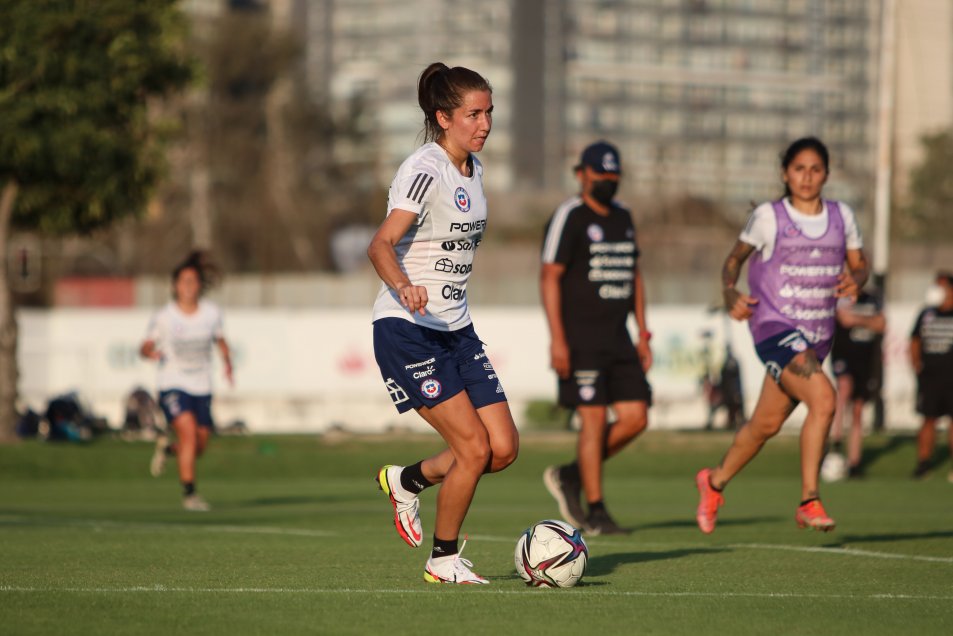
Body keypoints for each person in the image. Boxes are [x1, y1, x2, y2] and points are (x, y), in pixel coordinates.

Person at [367, 62, 518, 585]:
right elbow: (381, 244)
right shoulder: (424, 168)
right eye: (473, 114)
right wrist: (404, 287)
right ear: (443, 117)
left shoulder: (476, 171)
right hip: (407, 329)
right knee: (472, 449)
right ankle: (443, 560)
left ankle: (407, 480)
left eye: (489, 112)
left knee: (501, 450)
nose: (484, 124)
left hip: (456, 330)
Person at [695, 137, 869, 534]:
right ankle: (810, 499)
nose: (807, 177)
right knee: (825, 399)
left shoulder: (843, 216)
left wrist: (855, 279)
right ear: (785, 173)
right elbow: (734, 260)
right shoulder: (771, 217)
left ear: (826, 173)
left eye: (815, 169)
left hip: (817, 336)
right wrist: (729, 291)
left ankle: (714, 481)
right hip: (774, 327)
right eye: (799, 169)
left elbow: (860, 265)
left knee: (764, 425)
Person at [539, 141, 652, 536]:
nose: (607, 181)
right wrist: (557, 340)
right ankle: (597, 510)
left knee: (636, 418)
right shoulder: (569, 216)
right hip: (580, 338)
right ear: (581, 174)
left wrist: (643, 333)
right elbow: (549, 275)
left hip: (619, 338)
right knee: (593, 419)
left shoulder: (624, 216)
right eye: (599, 174)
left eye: (612, 175)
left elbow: (634, 274)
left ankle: (571, 474)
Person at [141, 251, 233, 512]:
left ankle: (169, 450)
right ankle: (190, 495)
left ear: (200, 285)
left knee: (199, 446)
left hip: (202, 384)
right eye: (184, 281)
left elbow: (220, 339)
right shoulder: (165, 317)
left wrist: (228, 362)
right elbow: (145, 346)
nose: (189, 286)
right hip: (172, 383)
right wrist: (149, 352)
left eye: (193, 281)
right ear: (175, 286)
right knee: (190, 434)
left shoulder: (212, 314)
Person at [828, 287, 886, 478]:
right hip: (844, 354)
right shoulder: (840, 296)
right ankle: (835, 445)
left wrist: (858, 320)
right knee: (844, 389)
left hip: (866, 358)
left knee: (858, 408)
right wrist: (868, 322)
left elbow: (881, 324)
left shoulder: (872, 299)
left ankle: (854, 462)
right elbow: (843, 319)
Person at [909, 271, 953, 481]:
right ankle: (923, 463)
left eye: (941, 286)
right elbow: (915, 340)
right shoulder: (926, 313)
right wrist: (916, 364)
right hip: (930, 377)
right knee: (928, 419)